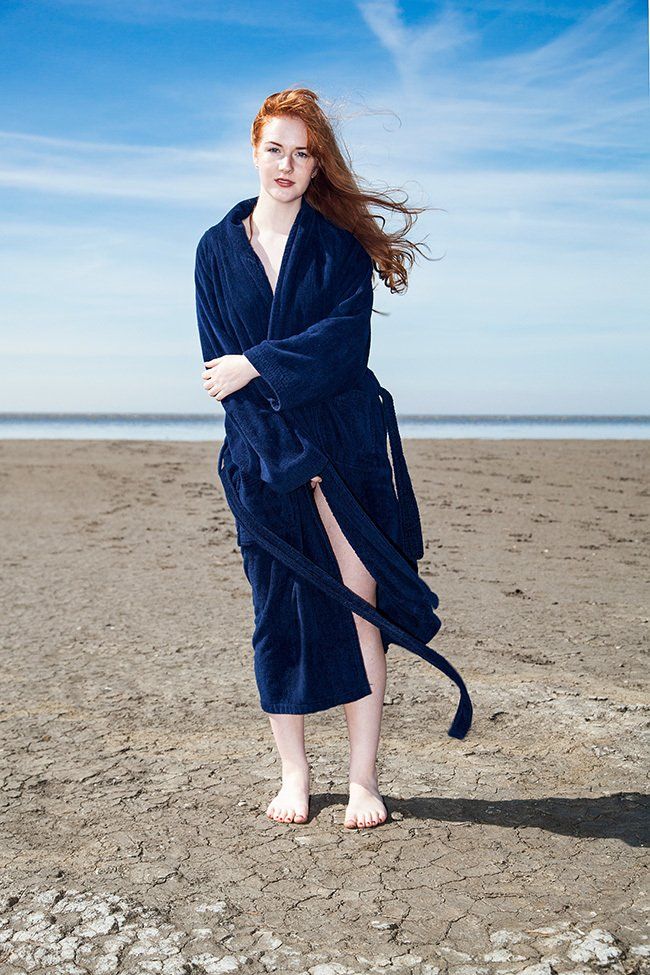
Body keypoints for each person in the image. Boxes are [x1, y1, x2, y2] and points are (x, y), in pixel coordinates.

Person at [195, 87, 472, 831]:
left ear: (318, 166)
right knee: (275, 610)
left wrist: (255, 362)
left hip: (345, 447)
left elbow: (343, 346)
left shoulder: (338, 245)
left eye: (303, 153)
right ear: (254, 152)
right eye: (275, 149)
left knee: (360, 604)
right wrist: (285, 456)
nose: (287, 164)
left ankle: (363, 779)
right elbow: (219, 377)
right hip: (260, 456)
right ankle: (294, 772)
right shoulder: (216, 250)